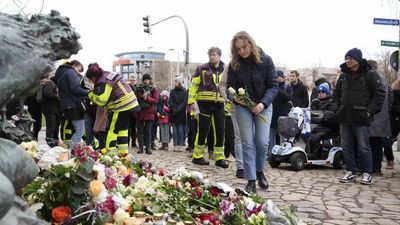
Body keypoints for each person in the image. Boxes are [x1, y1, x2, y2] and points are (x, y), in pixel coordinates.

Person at [226, 31, 279, 193]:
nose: (242, 51)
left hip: (264, 106)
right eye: (238, 49)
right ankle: (250, 180)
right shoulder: (234, 64)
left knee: (262, 142)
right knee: (247, 143)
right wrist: (235, 98)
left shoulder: (266, 60)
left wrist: (263, 104)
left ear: (251, 43)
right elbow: (230, 88)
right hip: (243, 107)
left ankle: (260, 171)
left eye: (244, 47)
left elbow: (273, 85)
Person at [333, 48, 385, 185]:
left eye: (351, 58)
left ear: (358, 60)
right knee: (346, 146)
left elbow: (379, 94)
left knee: (364, 147)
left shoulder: (370, 74)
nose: (348, 61)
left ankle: (367, 173)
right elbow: (336, 94)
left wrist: (370, 111)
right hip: (344, 117)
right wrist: (337, 109)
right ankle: (350, 171)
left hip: (361, 118)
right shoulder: (343, 76)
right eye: (347, 58)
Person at [85, 63, 140, 155]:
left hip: (121, 106)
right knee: (123, 130)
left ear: (93, 77)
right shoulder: (108, 75)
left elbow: (102, 100)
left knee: (112, 130)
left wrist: (89, 94)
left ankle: (110, 154)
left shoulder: (102, 81)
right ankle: (123, 153)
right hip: (132, 105)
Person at [188, 47, 228, 168]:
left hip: (219, 104)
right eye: (210, 55)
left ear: (219, 55)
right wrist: (191, 101)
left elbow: (229, 85)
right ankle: (197, 156)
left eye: (214, 54)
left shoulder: (226, 68)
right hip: (204, 104)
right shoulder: (201, 68)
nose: (211, 57)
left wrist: (229, 103)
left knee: (220, 131)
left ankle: (220, 158)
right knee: (203, 130)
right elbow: (194, 84)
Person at [55, 60, 89, 148]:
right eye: (79, 69)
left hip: (67, 105)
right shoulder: (70, 72)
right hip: (73, 105)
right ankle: (70, 150)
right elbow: (74, 88)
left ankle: (71, 149)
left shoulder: (61, 73)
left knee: (75, 129)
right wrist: (88, 93)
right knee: (80, 131)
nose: (78, 72)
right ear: (74, 65)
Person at [367, 60, 392, 174]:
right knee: (377, 143)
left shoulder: (372, 78)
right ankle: (376, 167)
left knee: (371, 143)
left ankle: (372, 167)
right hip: (382, 116)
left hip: (373, 115)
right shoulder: (385, 79)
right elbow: (390, 98)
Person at [308, 83, 338, 159]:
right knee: (306, 134)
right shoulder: (316, 102)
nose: (320, 94)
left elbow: (331, 116)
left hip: (329, 127)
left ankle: (315, 155)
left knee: (314, 137)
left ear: (327, 93)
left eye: (323, 92)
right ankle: (310, 152)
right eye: (319, 92)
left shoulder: (332, 102)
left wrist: (320, 118)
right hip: (319, 126)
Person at [134, 74, 159, 154]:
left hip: (149, 112)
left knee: (148, 131)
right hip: (139, 112)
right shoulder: (138, 88)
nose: (146, 81)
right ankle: (140, 148)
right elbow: (134, 98)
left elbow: (156, 100)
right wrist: (138, 95)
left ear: (150, 80)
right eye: (144, 79)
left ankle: (148, 148)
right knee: (139, 132)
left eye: (147, 79)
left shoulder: (153, 89)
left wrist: (147, 98)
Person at [268, 70, 292, 154]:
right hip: (272, 114)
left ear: (281, 77)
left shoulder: (286, 86)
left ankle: (283, 153)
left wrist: (278, 89)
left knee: (283, 137)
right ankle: (271, 153)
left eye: (277, 77)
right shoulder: (272, 85)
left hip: (283, 115)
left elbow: (288, 98)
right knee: (271, 136)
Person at [40, 73, 62, 147]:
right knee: (51, 126)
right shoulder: (50, 83)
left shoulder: (52, 83)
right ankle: (50, 142)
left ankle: (55, 140)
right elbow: (47, 93)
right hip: (50, 109)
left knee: (55, 126)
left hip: (54, 109)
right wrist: (58, 96)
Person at [169, 76, 187, 147]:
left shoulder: (184, 91)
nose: (175, 83)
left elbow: (184, 102)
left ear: (179, 82)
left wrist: (178, 109)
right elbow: (170, 101)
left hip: (181, 113)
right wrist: (174, 109)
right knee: (174, 130)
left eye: (176, 81)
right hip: (173, 113)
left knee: (180, 130)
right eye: (174, 81)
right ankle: (175, 144)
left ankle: (180, 144)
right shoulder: (172, 91)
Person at [128, 76, 138, 148]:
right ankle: (127, 142)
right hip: (128, 110)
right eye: (131, 80)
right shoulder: (127, 87)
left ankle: (134, 142)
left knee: (134, 128)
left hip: (135, 110)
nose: (132, 81)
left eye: (134, 80)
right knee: (127, 128)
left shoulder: (138, 88)